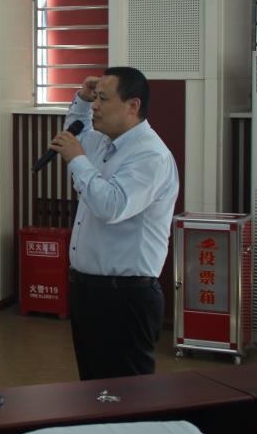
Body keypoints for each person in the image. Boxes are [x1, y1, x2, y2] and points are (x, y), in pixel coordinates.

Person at [47, 66, 179, 381]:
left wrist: (77, 160)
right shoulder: (101, 141)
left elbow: (112, 207)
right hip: (88, 290)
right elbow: (74, 134)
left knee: (127, 393)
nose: (95, 106)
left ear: (133, 105)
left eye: (103, 99)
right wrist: (82, 97)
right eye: (95, 99)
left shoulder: (150, 156)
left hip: (126, 297)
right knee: (92, 385)